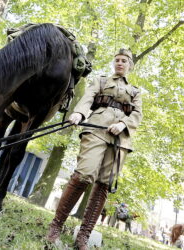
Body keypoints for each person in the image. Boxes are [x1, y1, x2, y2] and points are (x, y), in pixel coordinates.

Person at [46, 49, 143, 249]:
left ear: (130, 65)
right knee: (84, 175)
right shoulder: (100, 81)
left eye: (124, 61)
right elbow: (87, 98)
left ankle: (83, 236)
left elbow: (137, 115)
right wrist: (79, 114)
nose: (120, 63)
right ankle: (56, 226)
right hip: (96, 130)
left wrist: (123, 124)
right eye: (117, 60)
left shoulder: (135, 91)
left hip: (120, 140)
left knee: (104, 184)